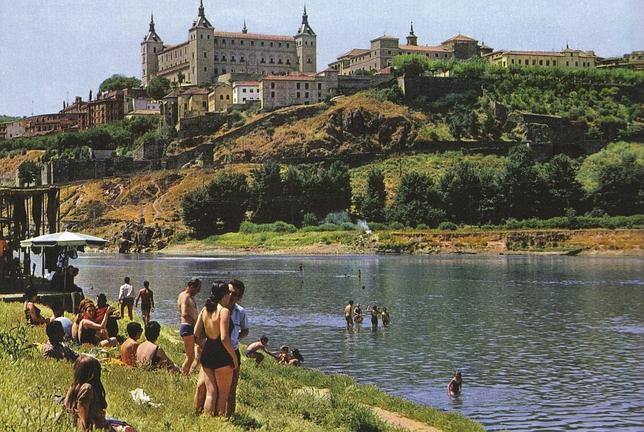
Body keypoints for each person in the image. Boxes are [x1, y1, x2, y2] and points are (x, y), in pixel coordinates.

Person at [194, 282, 238, 417]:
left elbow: (196, 333)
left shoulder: (205, 310)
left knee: (211, 392)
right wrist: (234, 358)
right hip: (222, 356)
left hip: (208, 354)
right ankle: (219, 421)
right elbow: (225, 338)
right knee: (223, 394)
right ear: (225, 295)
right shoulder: (224, 311)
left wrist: (204, 345)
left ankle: (207, 420)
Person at [64, 355, 135, 432]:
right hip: (96, 426)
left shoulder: (74, 387)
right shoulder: (87, 388)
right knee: (128, 428)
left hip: (95, 423)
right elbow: (82, 416)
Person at [177, 277, 201, 375]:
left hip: (190, 328)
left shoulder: (185, 295)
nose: (198, 291)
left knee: (203, 347)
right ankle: (184, 375)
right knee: (190, 357)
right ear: (191, 286)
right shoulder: (186, 296)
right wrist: (195, 322)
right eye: (197, 289)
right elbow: (184, 313)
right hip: (188, 327)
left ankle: (192, 371)